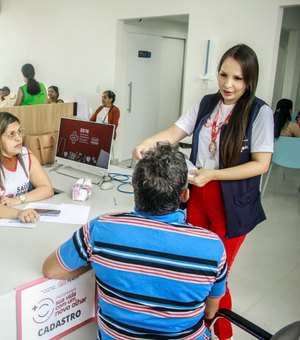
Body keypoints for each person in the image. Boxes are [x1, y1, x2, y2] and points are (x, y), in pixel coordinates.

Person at [133, 44, 274, 340]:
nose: (228, 84)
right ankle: (199, 329)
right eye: (223, 75)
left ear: (249, 81)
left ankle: (221, 333)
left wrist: (214, 174)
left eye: (237, 78)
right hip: (197, 197)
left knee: (215, 275)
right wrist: (147, 141)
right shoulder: (207, 103)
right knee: (194, 266)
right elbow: (174, 133)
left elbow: (260, 165)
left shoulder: (259, 113)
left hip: (231, 204)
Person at [43, 142, 227, 340]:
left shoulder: (101, 229)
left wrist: (96, 260)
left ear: (134, 188)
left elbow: (51, 269)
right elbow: (210, 312)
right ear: (185, 194)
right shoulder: (212, 247)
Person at [0, 112, 54, 222]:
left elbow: (47, 189)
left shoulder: (25, 154)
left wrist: (19, 199)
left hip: (22, 219)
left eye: (19, 132)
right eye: (11, 134)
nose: (18, 138)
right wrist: (19, 213)